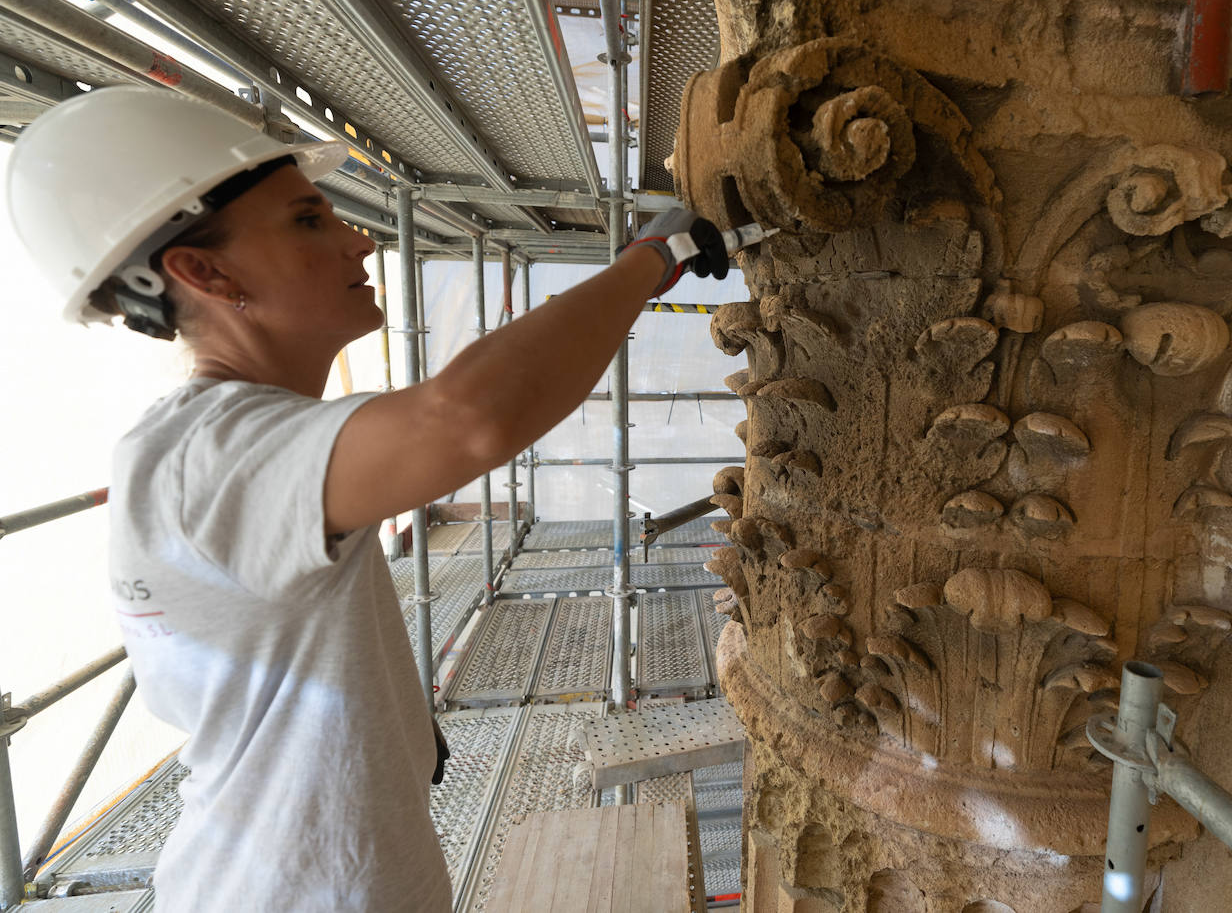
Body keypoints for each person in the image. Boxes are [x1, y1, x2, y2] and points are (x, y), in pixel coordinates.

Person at [5, 85, 728, 912]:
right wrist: (651, 259)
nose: (360, 241)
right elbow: (465, 421)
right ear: (201, 271)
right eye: (309, 220)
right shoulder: (210, 453)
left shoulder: (203, 446)